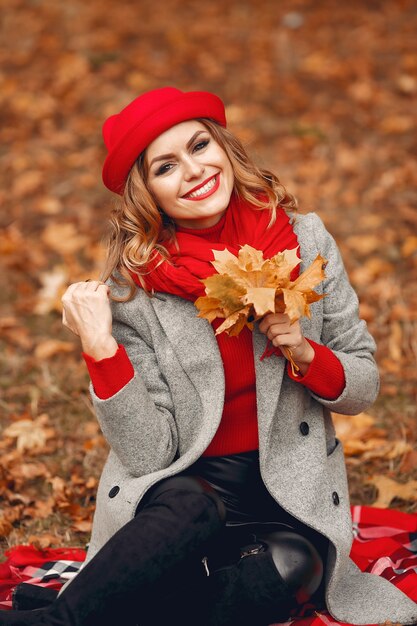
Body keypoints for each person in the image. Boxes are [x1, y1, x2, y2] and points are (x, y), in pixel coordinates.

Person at [2, 87, 416, 626]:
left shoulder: (305, 241)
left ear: (224, 146)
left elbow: (362, 387)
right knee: (191, 506)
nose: (194, 170)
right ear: (146, 193)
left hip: (284, 499)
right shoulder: (137, 289)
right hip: (181, 498)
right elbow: (150, 454)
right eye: (166, 166)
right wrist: (102, 349)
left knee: (295, 570)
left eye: (200, 145)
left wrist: (303, 350)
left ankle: (83, 611)